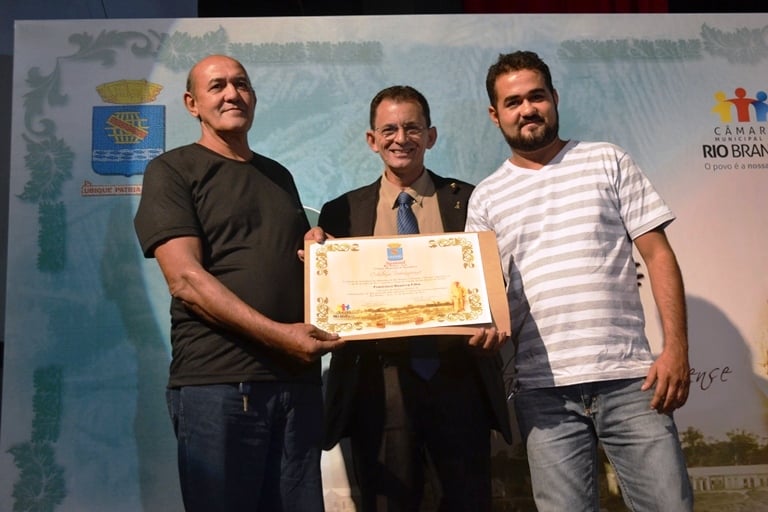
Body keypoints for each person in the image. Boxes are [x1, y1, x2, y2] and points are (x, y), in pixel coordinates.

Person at [465, 50, 694, 511]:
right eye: (513, 102)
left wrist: (676, 349)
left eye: (536, 96)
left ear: (554, 97)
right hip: (542, 393)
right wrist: (482, 325)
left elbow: (658, 255)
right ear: (495, 114)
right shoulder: (486, 197)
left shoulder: (608, 160)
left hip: (630, 382)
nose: (527, 109)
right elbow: (482, 296)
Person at [133, 54, 344, 512]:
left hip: (295, 386)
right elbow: (185, 280)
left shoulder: (278, 175)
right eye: (217, 86)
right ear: (192, 103)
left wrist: (315, 248)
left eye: (241, 84)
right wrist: (281, 336)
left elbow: (276, 257)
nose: (232, 94)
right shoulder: (173, 170)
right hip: (220, 385)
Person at [319, 85, 513, 511]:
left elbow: (495, 280)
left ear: (431, 136)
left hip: (459, 376)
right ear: (372, 140)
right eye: (389, 130)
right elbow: (331, 296)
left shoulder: (470, 200)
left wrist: (494, 322)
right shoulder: (340, 211)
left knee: (467, 502)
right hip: (378, 383)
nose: (401, 138)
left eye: (412, 128)